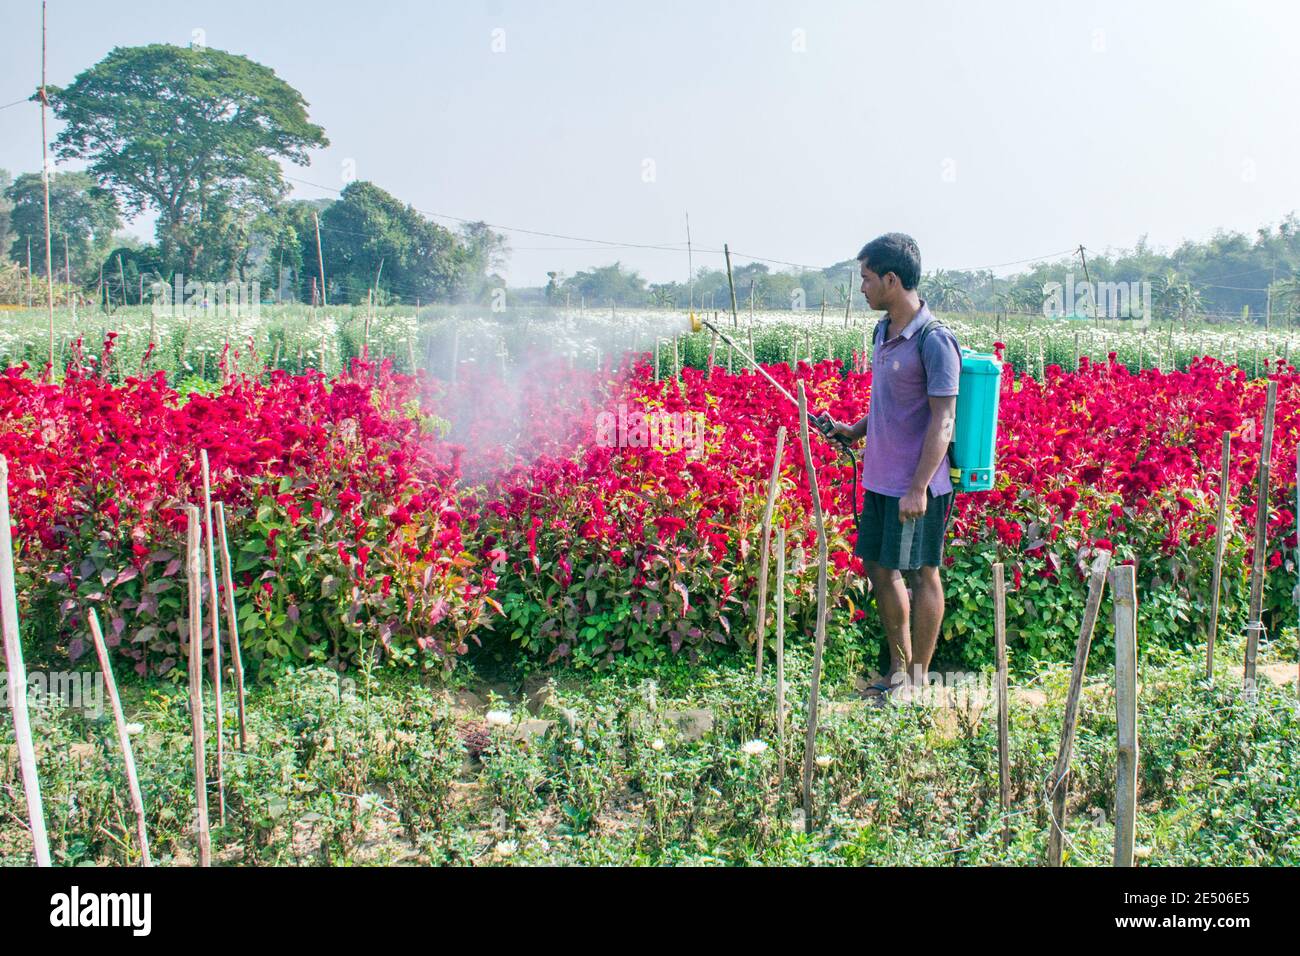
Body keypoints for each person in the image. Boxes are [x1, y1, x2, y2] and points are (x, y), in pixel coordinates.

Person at [818, 233, 962, 701]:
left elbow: (943, 420)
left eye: (865, 278)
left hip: (916, 486)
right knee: (880, 570)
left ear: (891, 279)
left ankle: (918, 681)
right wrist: (852, 431)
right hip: (881, 479)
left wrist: (919, 487)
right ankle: (899, 672)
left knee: (922, 572)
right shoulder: (883, 332)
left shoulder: (934, 340)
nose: (861, 288)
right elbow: (890, 405)